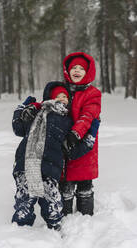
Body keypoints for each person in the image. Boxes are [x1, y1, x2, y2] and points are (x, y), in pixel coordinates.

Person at [11, 81, 99, 230]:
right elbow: (18, 127)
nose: (62, 98)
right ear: (49, 98)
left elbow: (73, 150)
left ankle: (53, 233)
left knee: (52, 205)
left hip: (50, 169)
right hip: (26, 164)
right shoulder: (35, 113)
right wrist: (22, 107)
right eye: (57, 96)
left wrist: (91, 134)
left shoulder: (68, 122)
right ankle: (20, 233)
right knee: (24, 202)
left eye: (65, 96)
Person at [60, 52, 102, 216]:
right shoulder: (62, 90)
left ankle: (85, 213)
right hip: (64, 143)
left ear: (87, 72)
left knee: (84, 180)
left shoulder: (93, 93)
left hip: (84, 144)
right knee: (66, 181)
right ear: (68, 71)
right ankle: (65, 213)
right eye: (73, 68)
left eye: (81, 68)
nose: (76, 71)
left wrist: (76, 133)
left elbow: (88, 115)